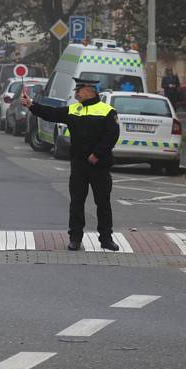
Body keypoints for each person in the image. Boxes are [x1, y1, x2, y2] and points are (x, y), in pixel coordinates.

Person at [21, 78, 120, 251]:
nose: (76, 94)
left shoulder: (107, 111)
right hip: (79, 165)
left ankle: (106, 239)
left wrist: (97, 154)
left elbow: (111, 136)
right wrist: (31, 105)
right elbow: (51, 113)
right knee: (76, 202)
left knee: (103, 203)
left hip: (99, 165)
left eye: (78, 90)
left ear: (89, 90)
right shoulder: (74, 109)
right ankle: (75, 238)